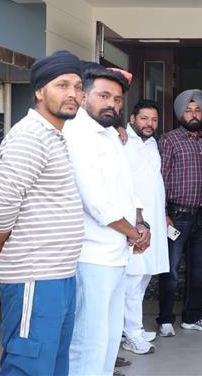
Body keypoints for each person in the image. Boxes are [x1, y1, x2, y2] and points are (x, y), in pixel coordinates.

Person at [0, 51, 84, 375]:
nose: (72, 93)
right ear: (40, 91)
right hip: (35, 277)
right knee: (29, 365)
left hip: (58, 273)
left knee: (53, 365)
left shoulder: (53, 135)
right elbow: (0, 207)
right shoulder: (29, 136)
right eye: (62, 85)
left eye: (78, 86)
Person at [66, 63, 150, 376]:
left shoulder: (111, 135)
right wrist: (134, 233)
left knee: (110, 337)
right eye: (103, 96)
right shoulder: (77, 134)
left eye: (117, 99)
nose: (111, 104)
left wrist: (140, 223)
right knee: (89, 340)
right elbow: (96, 202)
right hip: (91, 254)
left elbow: (127, 188)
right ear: (83, 96)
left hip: (116, 252)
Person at [157, 89, 202, 337]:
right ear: (179, 114)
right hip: (177, 215)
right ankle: (165, 319)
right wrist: (163, 212)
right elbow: (160, 179)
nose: (193, 115)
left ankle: (192, 317)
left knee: (200, 270)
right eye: (188, 110)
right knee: (171, 270)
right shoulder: (169, 140)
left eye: (197, 110)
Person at [122, 99, 170, 355]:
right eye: (144, 118)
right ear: (132, 119)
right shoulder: (122, 142)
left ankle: (132, 326)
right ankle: (132, 333)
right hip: (134, 222)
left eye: (154, 119)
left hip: (155, 220)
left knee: (145, 276)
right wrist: (136, 221)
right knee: (133, 277)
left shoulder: (152, 143)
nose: (149, 124)